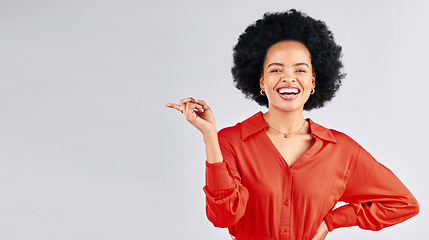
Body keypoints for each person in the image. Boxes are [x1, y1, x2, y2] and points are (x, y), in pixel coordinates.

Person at [165, 9, 419, 240]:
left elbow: (403, 203)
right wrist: (209, 135)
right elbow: (223, 217)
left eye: (300, 70)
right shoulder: (230, 141)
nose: (288, 78)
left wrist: (332, 221)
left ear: (314, 81)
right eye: (276, 70)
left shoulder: (340, 150)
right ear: (262, 82)